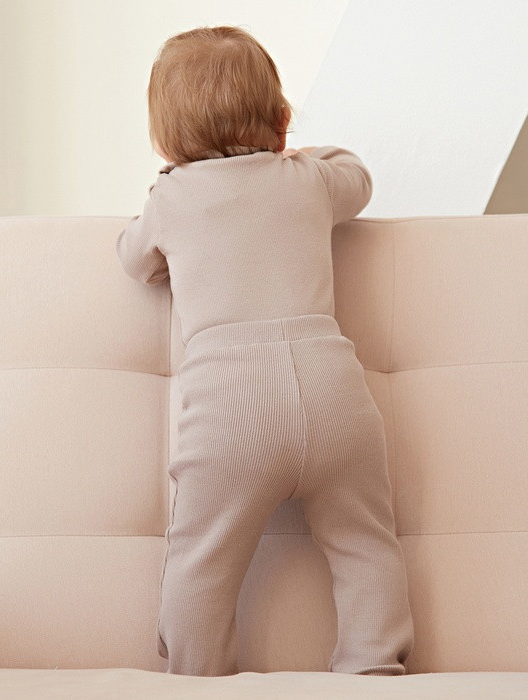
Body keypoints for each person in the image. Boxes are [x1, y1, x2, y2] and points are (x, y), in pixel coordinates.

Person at [116, 25, 413, 677]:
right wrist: (299, 152)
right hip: (331, 388)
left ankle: (199, 678)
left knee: (202, 559)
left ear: (163, 143)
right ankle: (372, 667)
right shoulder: (307, 178)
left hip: (232, 406)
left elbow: (135, 260)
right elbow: (358, 177)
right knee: (365, 543)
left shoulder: (172, 196)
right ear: (281, 122)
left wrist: (168, 194)